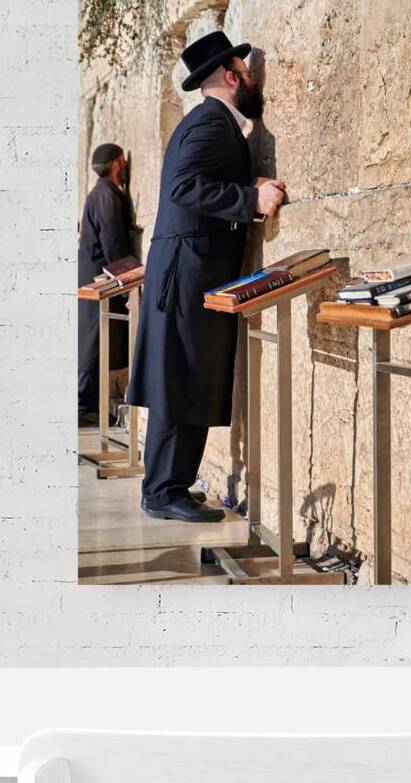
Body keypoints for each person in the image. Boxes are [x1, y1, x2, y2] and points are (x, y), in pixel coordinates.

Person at [127, 31, 286, 523]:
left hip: (191, 269)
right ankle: (162, 491)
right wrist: (249, 200)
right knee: (179, 378)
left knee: (186, 376)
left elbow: (199, 182)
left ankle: (169, 484)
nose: (253, 77)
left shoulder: (211, 122)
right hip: (187, 272)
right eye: (246, 69)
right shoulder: (211, 123)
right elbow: (183, 186)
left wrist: (245, 186)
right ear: (232, 76)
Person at [78, 143, 132, 426]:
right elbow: (113, 243)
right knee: (94, 340)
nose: (125, 167)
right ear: (114, 164)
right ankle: (83, 405)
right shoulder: (106, 196)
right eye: (123, 162)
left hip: (98, 277)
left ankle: (87, 403)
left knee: (95, 338)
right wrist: (127, 278)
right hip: (100, 278)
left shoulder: (102, 194)